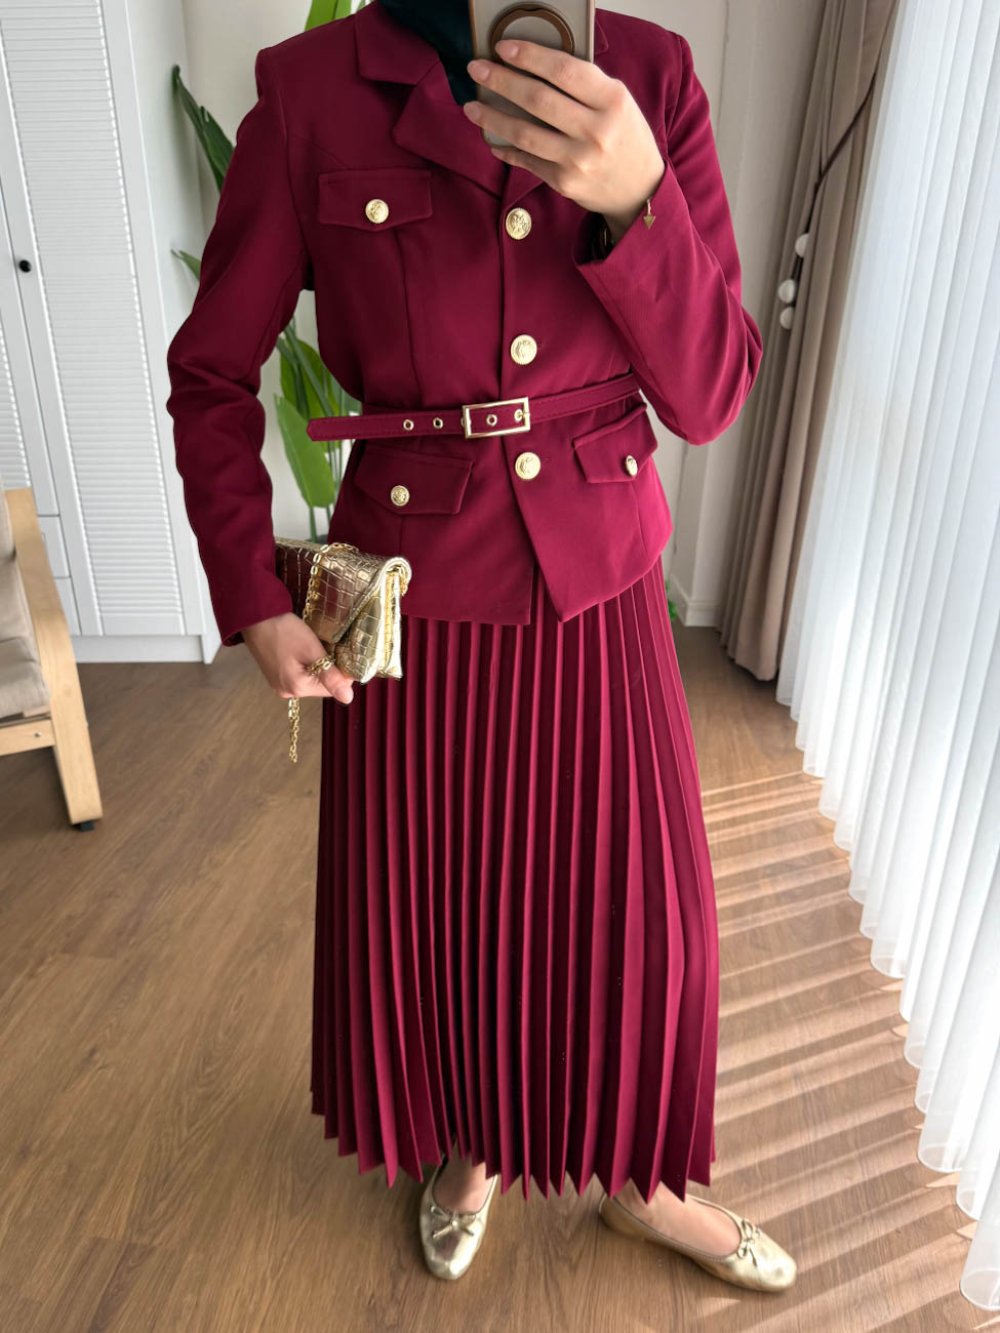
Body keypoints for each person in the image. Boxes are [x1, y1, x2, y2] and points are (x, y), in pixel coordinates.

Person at [165, 0, 797, 1294]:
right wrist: (251, 593)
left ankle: (646, 1178)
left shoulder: (651, 76)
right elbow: (214, 372)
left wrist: (639, 202)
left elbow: (712, 392)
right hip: (417, 600)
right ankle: (475, 1146)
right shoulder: (311, 90)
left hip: (603, 579)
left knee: (648, 928)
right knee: (451, 921)